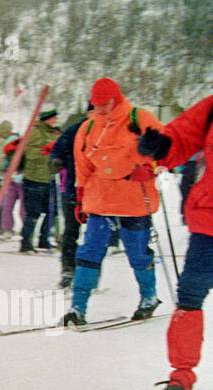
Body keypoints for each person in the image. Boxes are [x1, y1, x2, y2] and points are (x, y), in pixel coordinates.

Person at [63, 77, 163, 327]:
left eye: (105, 104)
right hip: (101, 199)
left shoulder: (139, 119)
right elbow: (82, 166)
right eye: (96, 105)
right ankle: (77, 308)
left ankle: (149, 298)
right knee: (89, 252)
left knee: (138, 254)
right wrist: (80, 197)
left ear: (116, 98)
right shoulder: (87, 129)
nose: (100, 109)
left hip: (134, 199)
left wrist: (152, 167)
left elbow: (166, 148)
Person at [137, 93, 212, 390]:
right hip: (210, 219)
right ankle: (181, 378)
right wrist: (161, 147)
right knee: (190, 295)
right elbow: (183, 136)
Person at [50, 109, 90, 288]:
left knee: (94, 235)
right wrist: (55, 160)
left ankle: (89, 272)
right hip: (74, 189)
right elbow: (57, 150)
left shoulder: (109, 131)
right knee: (71, 232)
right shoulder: (75, 130)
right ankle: (68, 269)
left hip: (99, 192)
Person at [20, 109, 61, 252]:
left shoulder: (54, 133)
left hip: (49, 178)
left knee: (52, 210)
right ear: (47, 119)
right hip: (34, 178)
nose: (56, 121)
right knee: (33, 212)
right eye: (54, 118)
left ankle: (44, 239)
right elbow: (29, 153)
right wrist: (47, 152)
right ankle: (26, 242)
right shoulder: (35, 132)